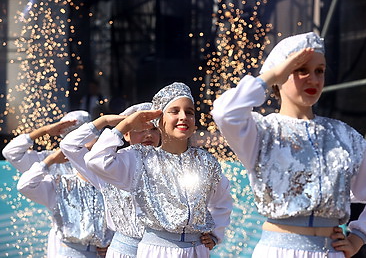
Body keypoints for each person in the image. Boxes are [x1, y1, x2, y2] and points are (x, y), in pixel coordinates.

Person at [211, 32, 366, 258]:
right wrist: (273, 75)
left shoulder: (345, 137)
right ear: (282, 73)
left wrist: (359, 238)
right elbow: (225, 112)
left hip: (331, 252)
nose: (314, 80)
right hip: (278, 251)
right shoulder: (263, 132)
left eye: (320, 71)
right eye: (300, 70)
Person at [84, 82, 233, 258]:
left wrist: (216, 234)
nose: (183, 116)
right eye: (174, 111)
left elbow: (222, 200)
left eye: (189, 112)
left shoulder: (207, 162)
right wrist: (126, 124)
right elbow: (96, 160)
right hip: (157, 251)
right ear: (159, 121)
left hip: (197, 250)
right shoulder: (141, 159)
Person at [5, 111, 114, 257]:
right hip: (67, 243)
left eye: (83, 134)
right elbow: (11, 153)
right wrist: (44, 131)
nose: (79, 142)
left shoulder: (103, 163)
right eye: (71, 134)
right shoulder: (54, 159)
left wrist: (113, 241)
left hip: (100, 247)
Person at [60, 102, 161, 258]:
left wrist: (212, 235)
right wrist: (105, 121)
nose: (148, 135)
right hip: (124, 251)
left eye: (154, 129)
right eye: (140, 129)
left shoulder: (171, 162)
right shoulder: (109, 165)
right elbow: (69, 146)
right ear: (126, 134)